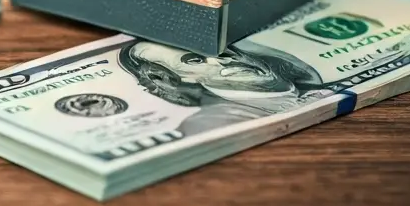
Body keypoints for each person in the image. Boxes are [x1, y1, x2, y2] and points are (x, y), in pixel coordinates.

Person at [115, 40, 333, 137]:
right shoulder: (213, 122)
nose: (222, 61)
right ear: (175, 79)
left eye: (223, 52)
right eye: (195, 60)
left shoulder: (308, 84)